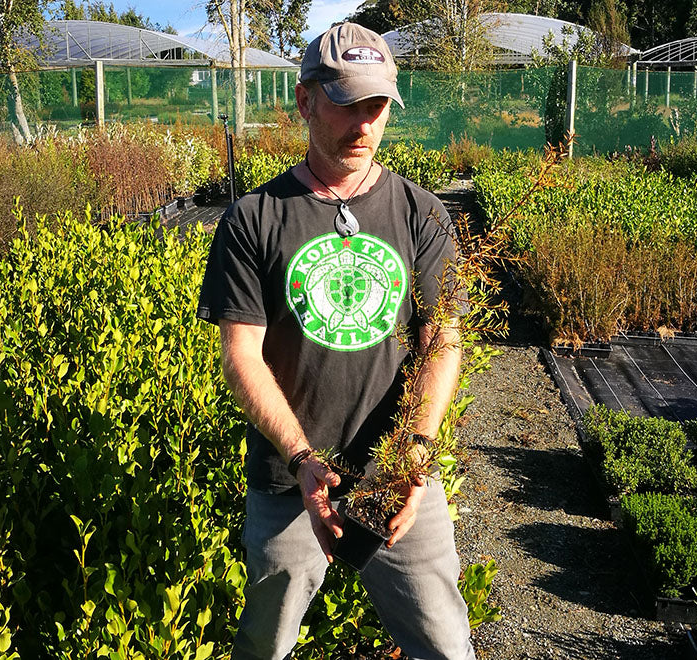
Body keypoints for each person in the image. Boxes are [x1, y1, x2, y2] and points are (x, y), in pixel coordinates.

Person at [196, 22, 476, 660]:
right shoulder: (255, 218)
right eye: (348, 103)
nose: (365, 122)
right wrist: (301, 459)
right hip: (289, 480)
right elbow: (242, 354)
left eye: (377, 105)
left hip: (396, 476)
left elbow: (442, 342)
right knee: (265, 643)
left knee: (444, 642)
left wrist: (415, 454)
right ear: (305, 101)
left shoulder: (421, 213)